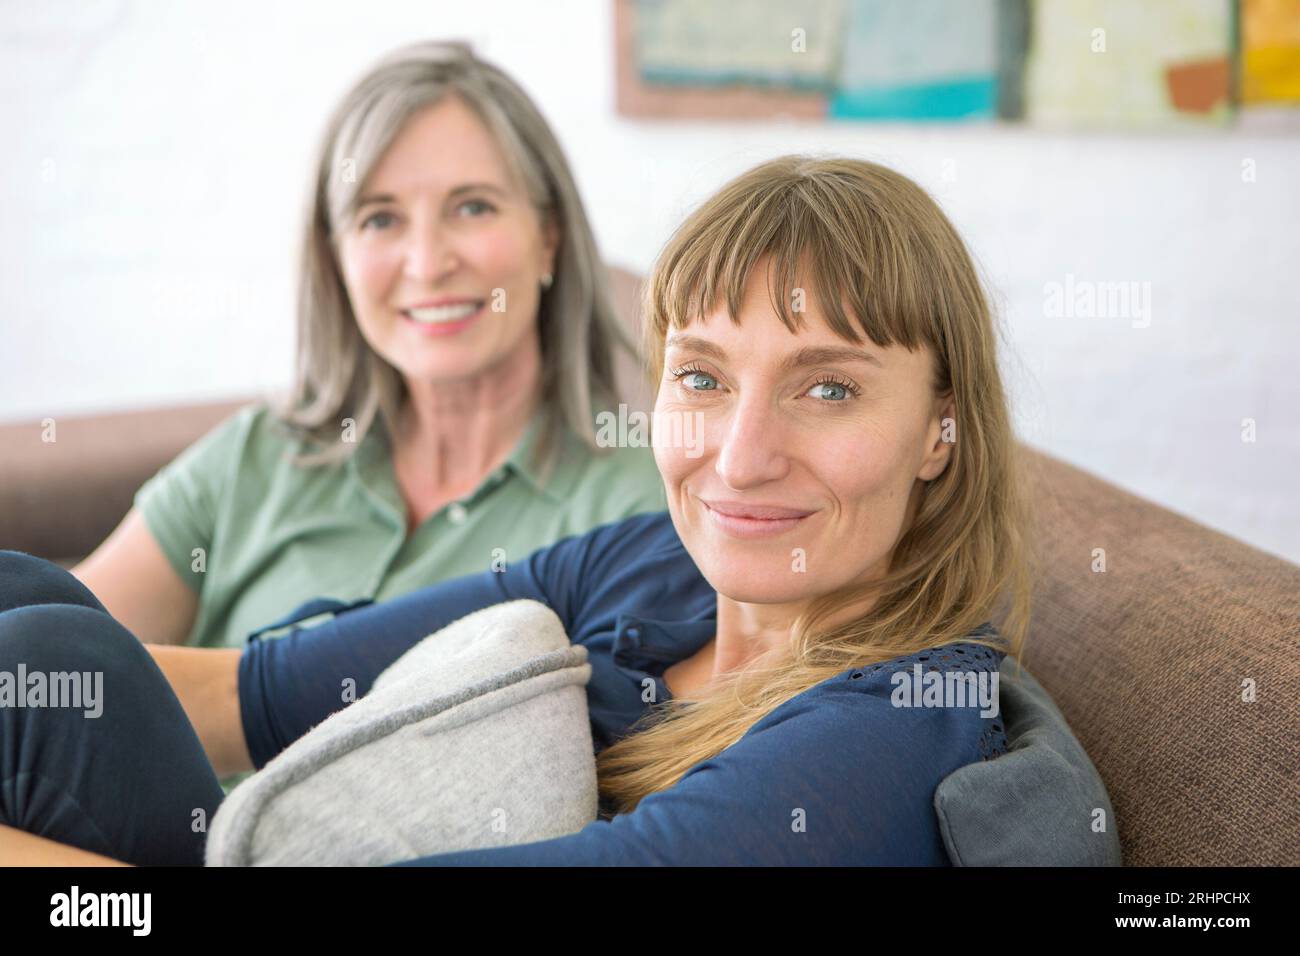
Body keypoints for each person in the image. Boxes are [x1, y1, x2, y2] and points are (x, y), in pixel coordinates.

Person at [0, 155, 1035, 866]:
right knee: (39, 612)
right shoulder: (649, 565)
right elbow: (246, 692)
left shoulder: (902, 721)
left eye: (827, 388)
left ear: (941, 427)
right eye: (704, 378)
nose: (740, 454)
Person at [68, 39, 665, 655]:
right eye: (381, 219)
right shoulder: (252, 460)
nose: (428, 264)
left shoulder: (640, 505)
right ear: (337, 258)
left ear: (549, 237)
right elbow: (49, 661)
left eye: (473, 207)